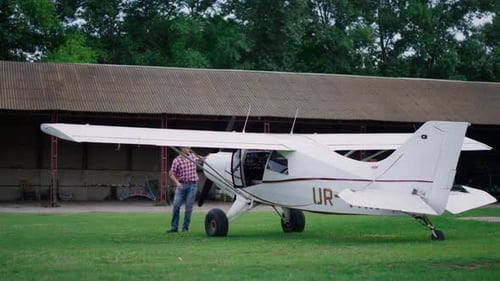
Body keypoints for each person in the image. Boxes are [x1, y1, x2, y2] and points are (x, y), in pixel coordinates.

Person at [166, 147, 203, 233]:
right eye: (186, 147)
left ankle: (185, 228)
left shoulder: (193, 157)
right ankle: (174, 227)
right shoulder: (177, 160)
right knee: (176, 205)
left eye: (189, 147)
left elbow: (202, 159)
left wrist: (211, 156)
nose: (189, 148)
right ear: (182, 149)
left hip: (193, 185)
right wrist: (177, 183)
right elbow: (171, 173)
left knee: (188, 208)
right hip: (181, 185)